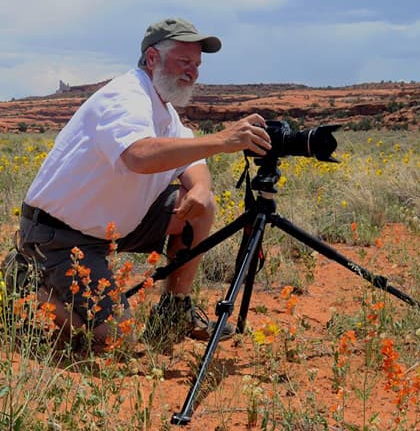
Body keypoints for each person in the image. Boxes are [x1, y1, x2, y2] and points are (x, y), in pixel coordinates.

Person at [16, 18, 271, 353]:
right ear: (152, 58)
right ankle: (36, 285)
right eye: (184, 61)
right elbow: (139, 155)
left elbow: (192, 161)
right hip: (59, 237)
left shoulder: (162, 107)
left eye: (196, 64)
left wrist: (198, 188)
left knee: (201, 205)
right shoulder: (126, 96)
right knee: (119, 340)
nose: (192, 72)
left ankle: (174, 310)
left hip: (110, 228)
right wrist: (223, 140)